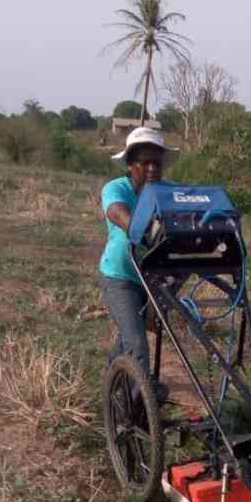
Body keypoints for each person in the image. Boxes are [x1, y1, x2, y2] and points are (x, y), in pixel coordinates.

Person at [99, 126, 178, 399]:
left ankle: (112, 384)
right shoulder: (116, 188)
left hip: (153, 278)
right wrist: (147, 232)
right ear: (131, 164)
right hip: (121, 277)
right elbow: (117, 213)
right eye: (146, 162)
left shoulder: (167, 191)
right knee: (137, 344)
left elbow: (189, 204)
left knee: (128, 334)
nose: (153, 168)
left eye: (157, 163)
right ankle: (137, 410)